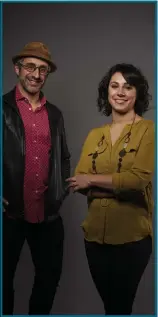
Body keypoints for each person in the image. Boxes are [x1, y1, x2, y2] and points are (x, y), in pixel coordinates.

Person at [66, 63, 154, 315]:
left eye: (128, 86)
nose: (120, 92)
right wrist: (118, 185)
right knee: (110, 308)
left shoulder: (148, 130)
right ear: (107, 91)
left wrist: (93, 181)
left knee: (120, 308)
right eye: (114, 86)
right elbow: (77, 181)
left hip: (132, 238)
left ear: (138, 93)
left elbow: (138, 180)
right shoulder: (95, 134)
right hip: (94, 239)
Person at [3, 42, 70, 315]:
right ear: (16, 69)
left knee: (48, 280)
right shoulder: (2, 108)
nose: (36, 74)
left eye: (43, 69)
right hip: (8, 215)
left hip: (47, 214)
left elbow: (63, 157)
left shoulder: (54, 114)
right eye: (30, 66)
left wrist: (59, 192)